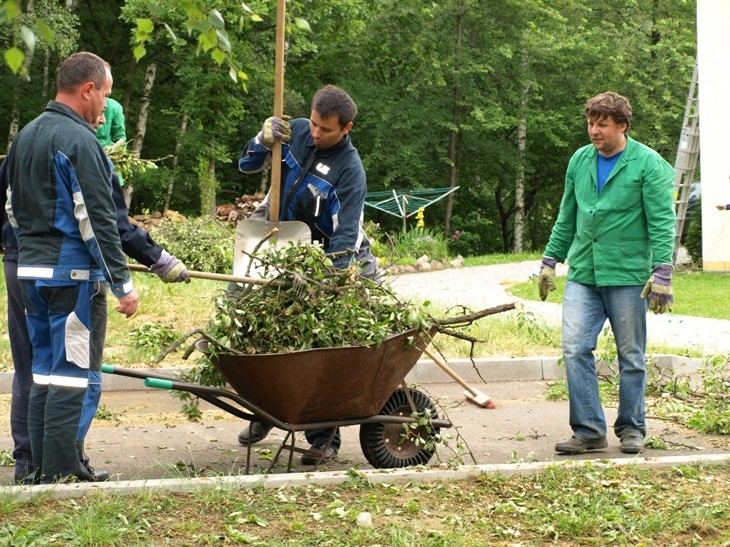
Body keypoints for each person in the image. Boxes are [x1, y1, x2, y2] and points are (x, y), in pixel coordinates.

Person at [4, 52, 140, 484]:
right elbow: (98, 223)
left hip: (31, 276)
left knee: (43, 374)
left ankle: (39, 470)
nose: (105, 107)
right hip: (72, 281)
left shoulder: (25, 135)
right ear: (88, 90)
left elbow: (11, 210)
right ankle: (61, 475)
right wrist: (123, 283)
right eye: (105, 96)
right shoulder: (79, 142)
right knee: (71, 377)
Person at [237, 84, 379, 465]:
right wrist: (261, 140)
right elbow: (246, 165)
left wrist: (327, 286)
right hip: (280, 240)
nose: (315, 134)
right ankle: (264, 410)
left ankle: (325, 437)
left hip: (332, 257)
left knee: (320, 346)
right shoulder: (294, 131)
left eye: (325, 129)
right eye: (314, 124)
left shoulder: (350, 172)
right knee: (253, 327)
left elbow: (346, 237)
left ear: (346, 128)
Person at [537, 91, 675, 456]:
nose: (594, 131)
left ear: (622, 126)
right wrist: (551, 259)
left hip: (627, 274)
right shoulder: (580, 161)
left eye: (602, 124)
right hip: (584, 271)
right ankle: (589, 431)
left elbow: (662, 221)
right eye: (590, 123)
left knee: (631, 355)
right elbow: (567, 214)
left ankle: (632, 428)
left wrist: (662, 270)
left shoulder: (648, 165)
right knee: (575, 347)